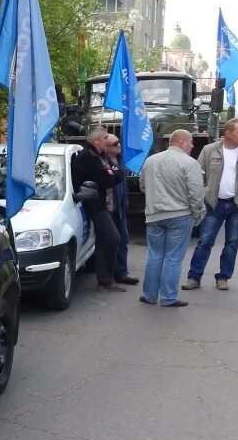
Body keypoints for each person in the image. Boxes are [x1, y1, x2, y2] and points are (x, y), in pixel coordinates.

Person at [181, 117, 238, 292]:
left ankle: (223, 277)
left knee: (232, 243)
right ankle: (194, 277)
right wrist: (204, 193)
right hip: (214, 204)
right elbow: (198, 174)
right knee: (205, 241)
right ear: (227, 133)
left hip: (237, 206)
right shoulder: (209, 150)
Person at [139, 129, 205, 308]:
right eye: (191, 142)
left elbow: (143, 186)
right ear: (182, 142)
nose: (192, 146)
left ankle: (149, 295)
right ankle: (168, 298)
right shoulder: (190, 163)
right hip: (180, 215)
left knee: (154, 256)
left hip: (153, 216)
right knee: (173, 258)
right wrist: (197, 212)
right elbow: (196, 193)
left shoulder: (150, 161)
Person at [69, 127, 124, 292]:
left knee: (103, 240)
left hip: (100, 203)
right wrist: (111, 173)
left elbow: (117, 175)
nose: (108, 140)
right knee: (112, 238)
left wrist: (112, 172)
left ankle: (105, 280)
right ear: (96, 141)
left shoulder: (99, 156)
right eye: (105, 137)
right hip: (94, 205)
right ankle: (106, 280)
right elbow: (107, 179)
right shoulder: (88, 157)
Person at [105, 134, 139, 287]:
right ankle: (109, 274)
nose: (119, 145)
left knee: (123, 239)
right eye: (115, 144)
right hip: (108, 207)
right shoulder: (102, 162)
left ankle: (121, 272)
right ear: (106, 148)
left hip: (120, 206)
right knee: (110, 241)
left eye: (119, 142)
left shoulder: (120, 161)